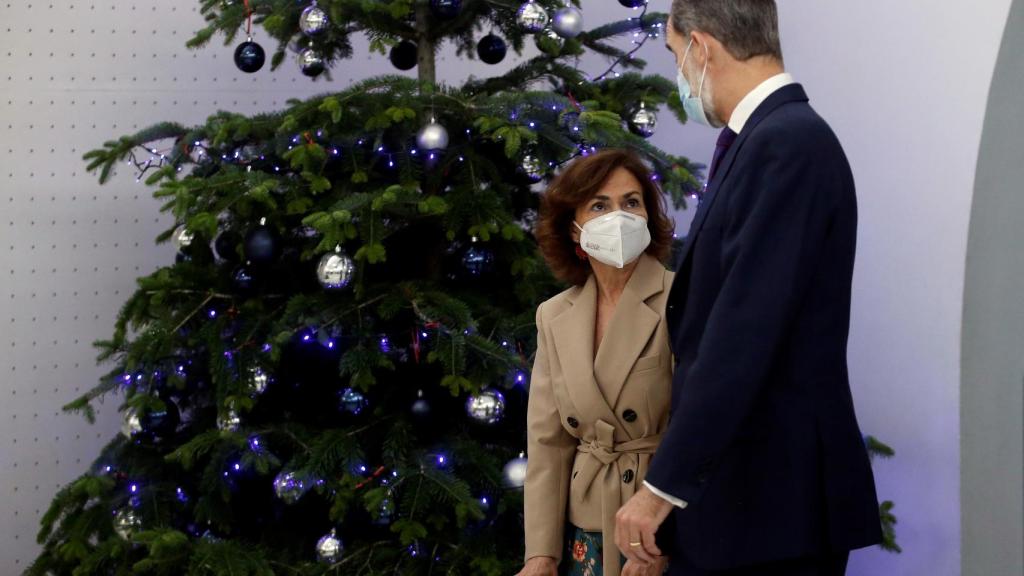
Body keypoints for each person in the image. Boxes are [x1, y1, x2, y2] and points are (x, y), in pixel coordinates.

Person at [613, 1, 883, 575]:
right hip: (750, 502)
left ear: (701, 48)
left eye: (674, 55)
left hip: (770, 504)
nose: (679, 75)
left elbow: (743, 331)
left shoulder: (787, 144)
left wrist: (661, 487)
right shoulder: (770, 138)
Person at [518, 149, 677, 576]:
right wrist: (540, 555)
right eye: (599, 205)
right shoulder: (553, 316)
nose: (619, 216)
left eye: (631, 202)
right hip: (584, 532)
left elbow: (702, 431)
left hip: (659, 524)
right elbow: (548, 445)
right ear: (574, 228)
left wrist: (663, 542)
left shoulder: (682, 300)